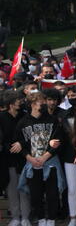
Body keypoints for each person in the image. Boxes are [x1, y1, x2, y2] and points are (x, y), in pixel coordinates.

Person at [15, 91, 64, 226]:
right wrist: (30, 158)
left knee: (52, 195)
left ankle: (52, 219)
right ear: (31, 104)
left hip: (50, 163)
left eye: (43, 101)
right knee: (36, 196)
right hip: (32, 164)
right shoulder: (22, 122)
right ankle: (41, 219)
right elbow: (19, 144)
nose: (43, 104)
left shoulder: (52, 120)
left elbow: (58, 142)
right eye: (39, 102)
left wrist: (45, 157)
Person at [0, 90, 31, 226]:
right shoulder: (1, 117)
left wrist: (21, 144)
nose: (21, 101)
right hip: (8, 158)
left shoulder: (25, 116)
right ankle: (15, 217)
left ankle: (25, 217)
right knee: (12, 189)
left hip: (24, 157)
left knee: (24, 188)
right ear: (10, 103)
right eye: (18, 99)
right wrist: (11, 147)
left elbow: (30, 135)